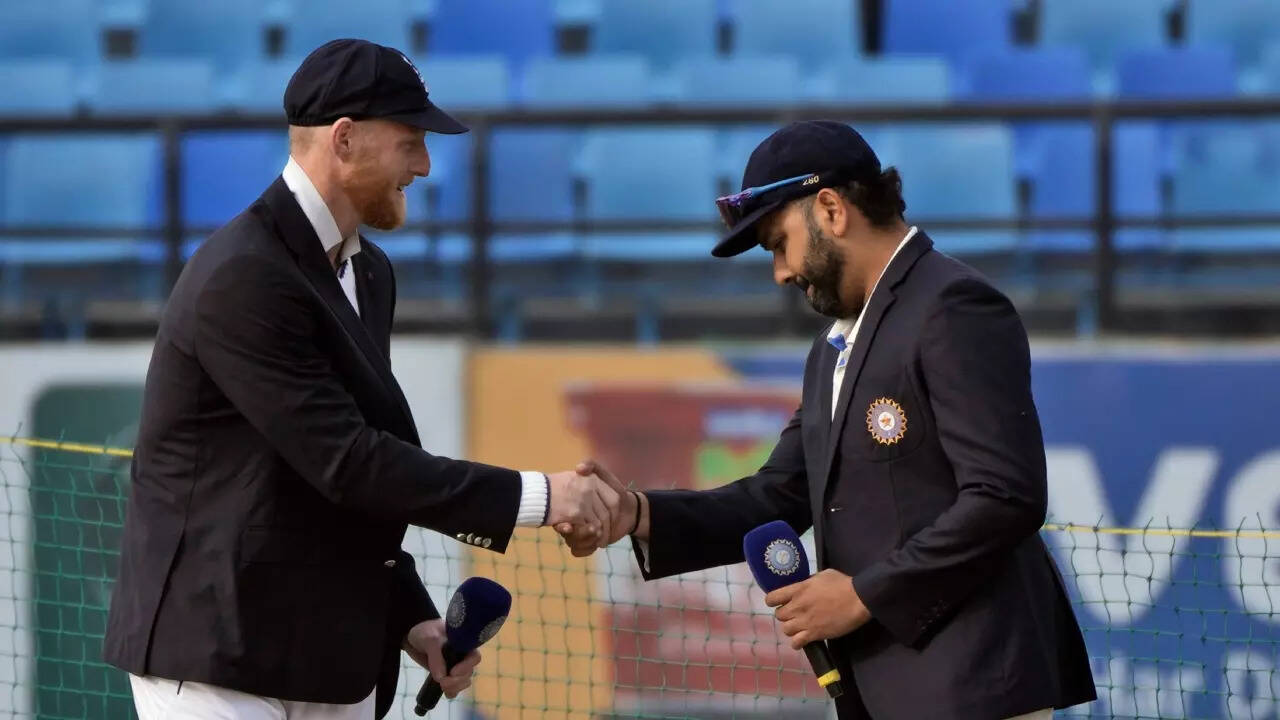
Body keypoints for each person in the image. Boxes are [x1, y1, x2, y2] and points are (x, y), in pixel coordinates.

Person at [103, 39, 620, 720]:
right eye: (410, 142)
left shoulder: (371, 274)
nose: (424, 165)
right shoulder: (244, 275)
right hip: (213, 656)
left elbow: (346, 474)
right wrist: (543, 497)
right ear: (344, 140)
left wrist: (409, 617)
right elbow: (348, 462)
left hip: (327, 657)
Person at [561, 120, 1097, 720]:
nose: (780, 272)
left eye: (779, 243)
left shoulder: (953, 306)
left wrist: (865, 594)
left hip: (972, 686)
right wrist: (638, 514)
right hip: (889, 692)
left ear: (831, 210)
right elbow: (778, 495)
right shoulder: (834, 347)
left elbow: (1006, 496)